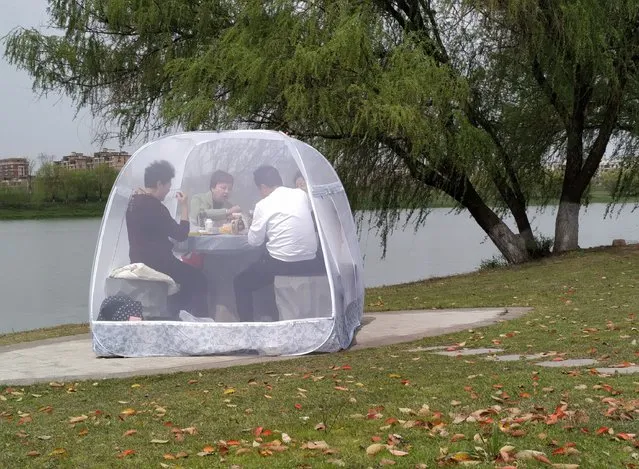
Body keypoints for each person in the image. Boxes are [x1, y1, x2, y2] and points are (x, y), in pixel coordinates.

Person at [234, 165, 323, 320]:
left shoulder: (263, 204)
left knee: (241, 282)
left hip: (283, 263)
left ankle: (247, 328)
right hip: (310, 261)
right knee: (264, 266)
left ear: (262, 187)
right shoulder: (301, 195)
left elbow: (254, 241)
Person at [126, 160, 208, 318]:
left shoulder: (133, 202)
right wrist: (184, 206)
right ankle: (197, 321)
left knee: (185, 280)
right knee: (199, 279)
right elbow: (181, 234)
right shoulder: (155, 207)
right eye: (168, 185)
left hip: (138, 260)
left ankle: (175, 314)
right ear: (159, 183)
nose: (169, 189)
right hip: (159, 263)